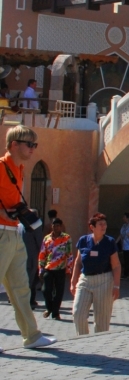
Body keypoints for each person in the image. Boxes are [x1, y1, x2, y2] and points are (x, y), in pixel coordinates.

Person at [0, 125, 56, 352]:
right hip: (2, 232)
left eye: (35, 145)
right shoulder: (2, 167)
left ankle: (32, 336)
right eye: (29, 144)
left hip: (14, 232)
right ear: (14, 145)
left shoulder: (19, 168)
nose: (33, 149)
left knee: (21, 288)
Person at [69, 213, 121, 335]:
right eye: (100, 224)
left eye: (105, 224)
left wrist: (116, 286)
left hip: (104, 281)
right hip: (85, 280)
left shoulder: (109, 242)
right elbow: (77, 263)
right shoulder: (83, 241)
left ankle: (98, 346)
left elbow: (116, 266)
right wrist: (73, 281)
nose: (103, 226)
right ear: (92, 227)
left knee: (101, 321)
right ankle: (83, 341)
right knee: (78, 313)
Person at [38, 217, 73, 319]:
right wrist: (41, 268)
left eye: (58, 225)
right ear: (51, 226)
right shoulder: (47, 238)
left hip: (60, 269)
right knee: (46, 290)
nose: (56, 227)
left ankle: (55, 312)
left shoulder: (66, 238)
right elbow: (42, 254)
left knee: (59, 291)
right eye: (54, 225)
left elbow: (69, 254)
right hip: (48, 268)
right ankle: (49, 308)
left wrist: (69, 269)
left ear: (61, 227)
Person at [20, 207, 43, 309]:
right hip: (32, 257)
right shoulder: (35, 226)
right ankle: (27, 301)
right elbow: (39, 241)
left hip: (19, 256)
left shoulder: (19, 225)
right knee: (30, 279)